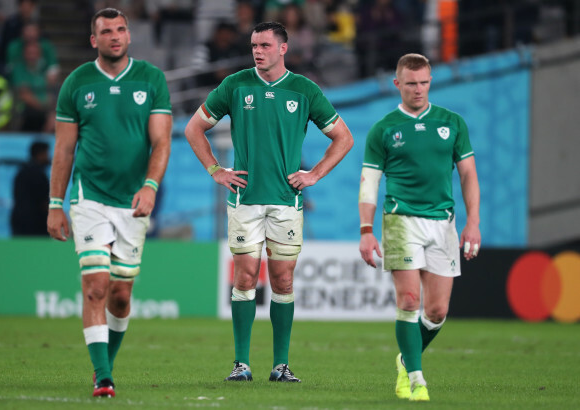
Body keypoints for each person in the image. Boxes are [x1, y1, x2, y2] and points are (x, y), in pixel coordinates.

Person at [184, 21, 353, 383]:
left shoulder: (304, 89)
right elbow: (193, 128)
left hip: (285, 202)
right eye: (253, 45)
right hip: (245, 199)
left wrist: (315, 174)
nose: (257, 51)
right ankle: (241, 364)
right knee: (244, 276)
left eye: (263, 45)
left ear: (282, 48)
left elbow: (343, 137)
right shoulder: (235, 84)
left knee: (283, 281)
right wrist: (215, 169)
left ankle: (280, 365)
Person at [47, 8, 172, 398]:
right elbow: (65, 149)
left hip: (132, 200)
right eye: (106, 31)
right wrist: (55, 202)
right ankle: (103, 377)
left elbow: (162, 141)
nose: (114, 36)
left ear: (129, 36)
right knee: (96, 286)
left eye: (120, 30)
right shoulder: (77, 83)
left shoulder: (151, 79)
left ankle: (107, 363)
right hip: (90, 197)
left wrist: (150, 186)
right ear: (94, 39)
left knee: (121, 294)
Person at [358, 53, 481, 402]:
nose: (418, 89)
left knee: (437, 311)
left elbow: (468, 174)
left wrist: (473, 222)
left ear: (430, 81)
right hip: (400, 220)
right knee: (409, 300)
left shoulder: (452, 122)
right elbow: (369, 183)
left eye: (424, 82)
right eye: (411, 83)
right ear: (398, 84)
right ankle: (415, 378)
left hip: (443, 223)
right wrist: (367, 230)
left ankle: (405, 357)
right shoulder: (383, 129)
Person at [11, 141, 50, 236]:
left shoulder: (21, 171)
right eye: (46, 154)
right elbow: (43, 201)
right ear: (40, 154)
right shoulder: (38, 174)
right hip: (35, 223)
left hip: (19, 220)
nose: (48, 157)